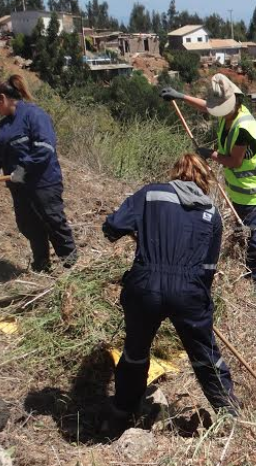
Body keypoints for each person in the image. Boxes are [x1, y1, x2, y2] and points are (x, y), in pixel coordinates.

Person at [101, 153, 239, 431]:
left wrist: (138, 229)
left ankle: (118, 417)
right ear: (203, 179)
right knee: (205, 355)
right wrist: (199, 308)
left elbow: (113, 227)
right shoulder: (211, 213)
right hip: (190, 290)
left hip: (145, 285)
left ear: (176, 172)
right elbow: (208, 269)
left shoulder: (151, 195)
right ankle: (231, 418)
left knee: (135, 353)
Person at [159, 74, 256, 298]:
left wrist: (210, 154)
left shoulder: (245, 128)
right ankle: (250, 270)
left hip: (254, 192)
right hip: (240, 190)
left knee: (255, 237)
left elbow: (234, 161)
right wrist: (180, 96)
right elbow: (207, 107)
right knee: (243, 232)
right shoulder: (229, 113)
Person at [0, 74, 77, 272]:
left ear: (3, 99)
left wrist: (22, 170)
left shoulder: (35, 116)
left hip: (43, 184)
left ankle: (71, 266)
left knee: (54, 222)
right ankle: (41, 265)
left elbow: (44, 148)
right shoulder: (3, 127)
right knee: (29, 226)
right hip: (19, 188)